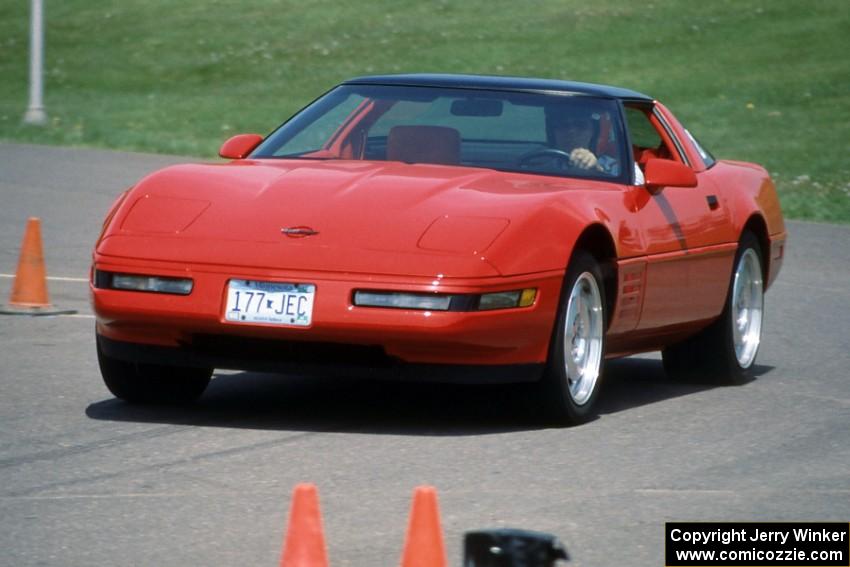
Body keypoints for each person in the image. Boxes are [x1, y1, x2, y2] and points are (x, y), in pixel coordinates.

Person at [552, 115, 619, 175]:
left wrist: (597, 171)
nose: (571, 132)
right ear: (554, 132)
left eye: (580, 125)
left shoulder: (613, 167)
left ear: (592, 132)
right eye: (563, 125)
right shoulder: (544, 163)